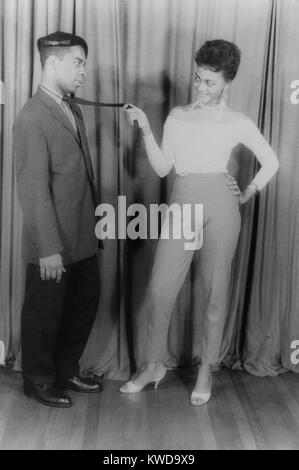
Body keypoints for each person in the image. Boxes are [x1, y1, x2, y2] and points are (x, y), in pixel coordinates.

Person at [120, 39, 279, 405]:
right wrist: (145, 128)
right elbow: (163, 168)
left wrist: (247, 191)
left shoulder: (237, 122)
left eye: (210, 82)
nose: (201, 88)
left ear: (227, 83)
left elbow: (271, 161)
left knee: (214, 292)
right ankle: (153, 365)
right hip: (183, 202)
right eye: (197, 79)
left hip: (221, 206)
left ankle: (206, 370)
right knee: (160, 290)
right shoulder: (177, 116)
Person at [14, 31, 102, 408]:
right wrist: (48, 249)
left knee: (84, 301)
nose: (84, 71)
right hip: (52, 242)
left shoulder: (71, 106)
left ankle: (66, 369)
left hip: (80, 235)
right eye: (78, 63)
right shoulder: (32, 117)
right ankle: (37, 379)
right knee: (44, 313)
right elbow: (33, 191)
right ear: (53, 63)